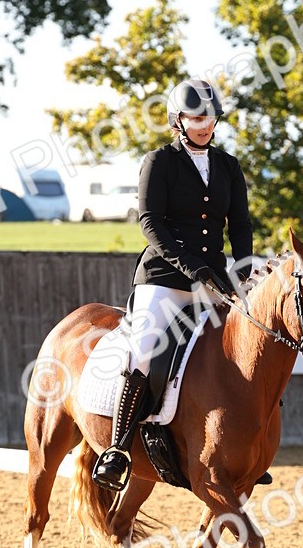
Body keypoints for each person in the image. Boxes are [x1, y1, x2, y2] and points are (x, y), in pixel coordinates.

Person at [92, 77, 257, 492]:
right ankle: (118, 449)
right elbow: (150, 222)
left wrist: (244, 271)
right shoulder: (159, 162)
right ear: (178, 119)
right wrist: (190, 267)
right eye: (196, 117)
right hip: (164, 278)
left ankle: (249, 448)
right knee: (145, 350)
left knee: (246, 349)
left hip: (214, 280)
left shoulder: (228, 166)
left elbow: (239, 225)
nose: (205, 124)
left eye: (211, 117)